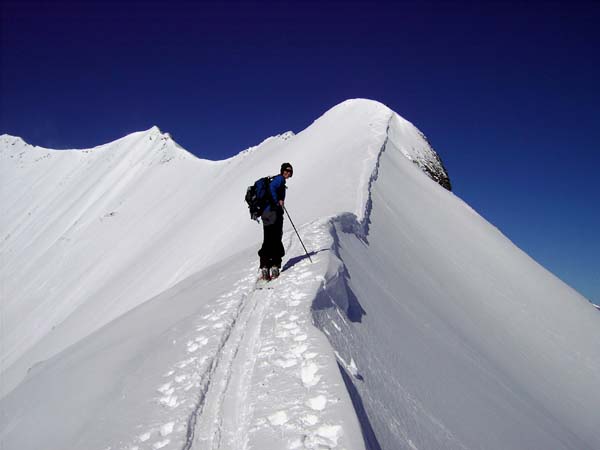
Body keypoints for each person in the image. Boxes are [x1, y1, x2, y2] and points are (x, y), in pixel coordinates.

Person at [259, 162, 293, 280]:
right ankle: (274, 265)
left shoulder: (277, 179)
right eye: (286, 170)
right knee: (276, 238)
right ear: (282, 170)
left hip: (265, 213)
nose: (288, 173)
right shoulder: (280, 180)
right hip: (274, 213)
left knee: (268, 239)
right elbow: (272, 188)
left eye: (289, 171)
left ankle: (264, 266)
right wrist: (277, 202)